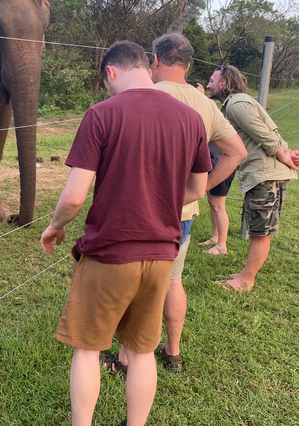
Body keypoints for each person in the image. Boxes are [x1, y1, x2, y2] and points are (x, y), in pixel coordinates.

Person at [40, 41, 211, 426]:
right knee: (142, 349)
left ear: (111, 72)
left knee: (87, 348)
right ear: (146, 67)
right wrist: (159, 201)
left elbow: (73, 197)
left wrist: (55, 227)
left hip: (110, 253)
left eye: (106, 82)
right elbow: (197, 189)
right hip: (163, 253)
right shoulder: (190, 118)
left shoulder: (102, 114)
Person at [104, 33, 247, 374]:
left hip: (142, 210)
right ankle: (173, 354)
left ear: (154, 60)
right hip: (183, 213)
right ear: (188, 64)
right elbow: (237, 152)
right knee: (171, 281)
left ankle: (126, 359)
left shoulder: (145, 94)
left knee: (136, 285)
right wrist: (202, 188)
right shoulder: (206, 105)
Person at [205, 64, 299, 291]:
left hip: (265, 175)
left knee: (261, 230)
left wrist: (286, 157)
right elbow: (269, 133)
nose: (209, 84)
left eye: (212, 80)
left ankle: (245, 280)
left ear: (223, 83)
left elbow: (264, 135)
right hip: (263, 173)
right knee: (259, 227)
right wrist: (287, 152)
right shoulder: (237, 103)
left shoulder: (237, 103)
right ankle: (244, 274)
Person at [198, 142, 237, 255]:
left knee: (218, 205)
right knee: (212, 202)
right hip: (212, 158)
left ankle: (222, 246)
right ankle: (215, 237)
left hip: (220, 163)